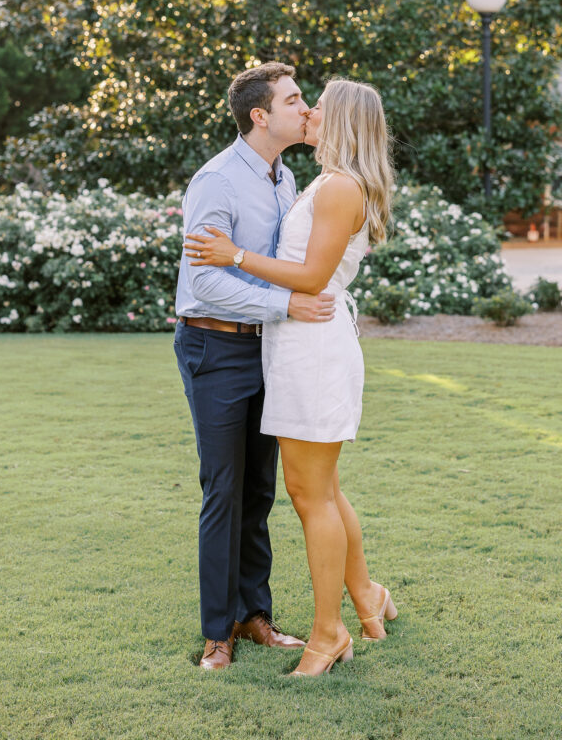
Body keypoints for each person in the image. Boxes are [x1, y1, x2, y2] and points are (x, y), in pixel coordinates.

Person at [185, 78, 398, 678]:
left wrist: (236, 256)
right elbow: (292, 280)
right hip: (284, 344)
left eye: (315, 104)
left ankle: (328, 633)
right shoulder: (302, 182)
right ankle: (364, 600)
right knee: (319, 491)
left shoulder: (332, 186)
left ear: (340, 121)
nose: (306, 110)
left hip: (311, 348)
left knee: (310, 496)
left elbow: (308, 278)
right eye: (296, 101)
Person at [174, 61, 338, 671]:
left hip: (267, 348)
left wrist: (286, 308)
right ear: (261, 115)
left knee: (260, 491)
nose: (306, 109)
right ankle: (219, 632)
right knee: (224, 490)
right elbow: (206, 282)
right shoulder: (215, 181)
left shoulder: (285, 177)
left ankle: (255, 615)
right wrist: (288, 304)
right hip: (214, 348)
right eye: (295, 100)